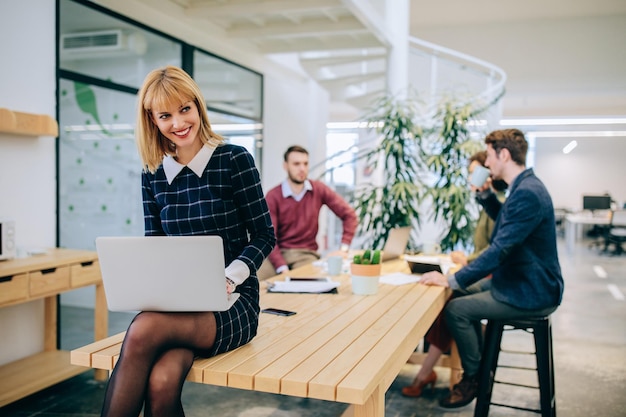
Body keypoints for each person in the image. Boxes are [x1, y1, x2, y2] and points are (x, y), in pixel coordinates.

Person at [99, 65, 275, 417]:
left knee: (144, 327)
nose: (178, 123)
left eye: (185, 109)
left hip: (233, 301)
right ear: (152, 119)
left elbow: (264, 234)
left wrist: (230, 275)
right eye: (166, 115)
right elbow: (155, 246)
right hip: (178, 305)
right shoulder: (153, 174)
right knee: (161, 380)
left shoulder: (234, 160)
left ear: (197, 107)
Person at [421, 128, 564, 409]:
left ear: (504, 154)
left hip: (531, 291)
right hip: (517, 281)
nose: (486, 163)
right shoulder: (524, 187)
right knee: (459, 297)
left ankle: (475, 376)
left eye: (489, 155)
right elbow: (508, 229)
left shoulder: (527, 193)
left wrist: (451, 280)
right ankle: (480, 364)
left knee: (456, 308)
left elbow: (500, 249)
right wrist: (487, 197)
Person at [401, 150, 508, 398]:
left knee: (450, 304)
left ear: (489, 171)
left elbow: (496, 250)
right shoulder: (489, 202)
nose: (471, 178)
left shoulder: (500, 203)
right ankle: (431, 369)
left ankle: (445, 371)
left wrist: (466, 262)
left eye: (475, 172)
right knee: (446, 297)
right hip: (489, 274)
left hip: (495, 278)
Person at [257, 145, 358, 279]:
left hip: (305, 254)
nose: (302, 168)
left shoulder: (318, 189)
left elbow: (349, 215)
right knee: (255, 281)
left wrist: (343, 249)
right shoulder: (273, 196)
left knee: (308, 284)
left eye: (305, 163)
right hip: (275, 254)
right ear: (285, 166)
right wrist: (282, 267)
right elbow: (268, 236)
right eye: (296, 164)